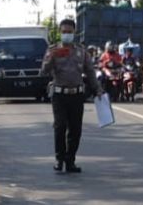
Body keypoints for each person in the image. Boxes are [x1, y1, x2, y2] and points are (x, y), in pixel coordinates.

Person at [40, 18, 102, 173]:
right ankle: (59, 159)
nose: (66, 35)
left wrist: (98, 89)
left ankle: (70, 161)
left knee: (75, 129)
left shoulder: (81, 51)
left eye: (69, 32)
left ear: (74, 33)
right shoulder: (53, 50)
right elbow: (44, 71)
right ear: (60, 33)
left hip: (76, 95)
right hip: (59, 95)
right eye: (64, 32)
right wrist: (51, 58)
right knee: (60, 127)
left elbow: (90, 72)